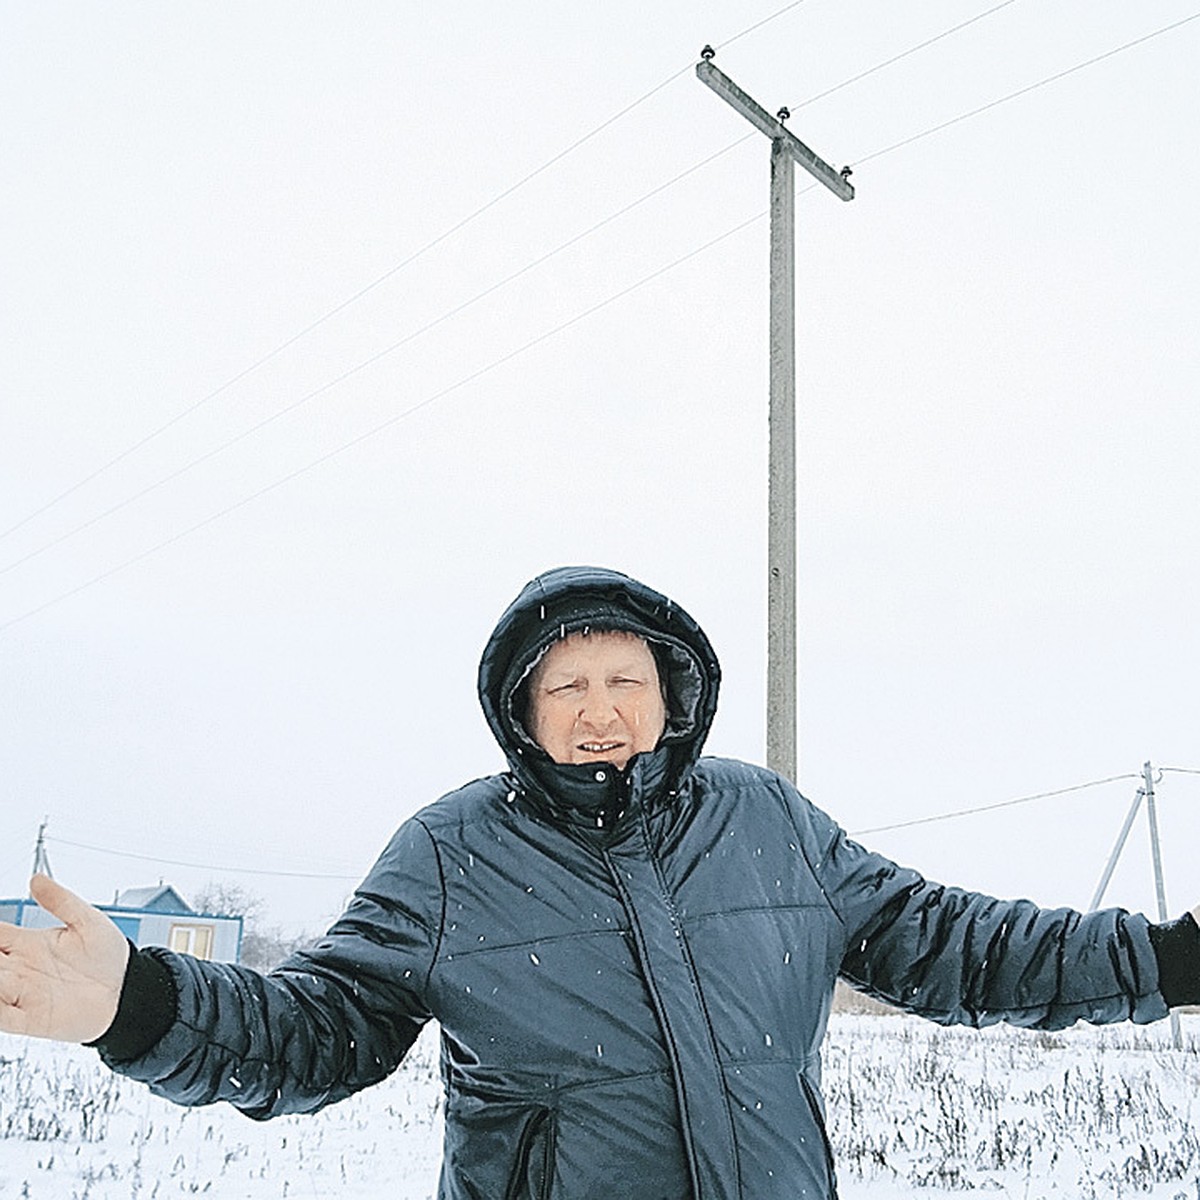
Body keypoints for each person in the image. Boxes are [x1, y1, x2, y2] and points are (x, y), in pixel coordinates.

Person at [2, 564, 1198, 1200]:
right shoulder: (450, 852)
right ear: (522, 712)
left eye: (624, 679)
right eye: (565, 688)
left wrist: (1177, 960)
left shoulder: (767, 819)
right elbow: (321, 1029)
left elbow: (963, 947)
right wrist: (138, 1007)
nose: (599, 709)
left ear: (671, 691)